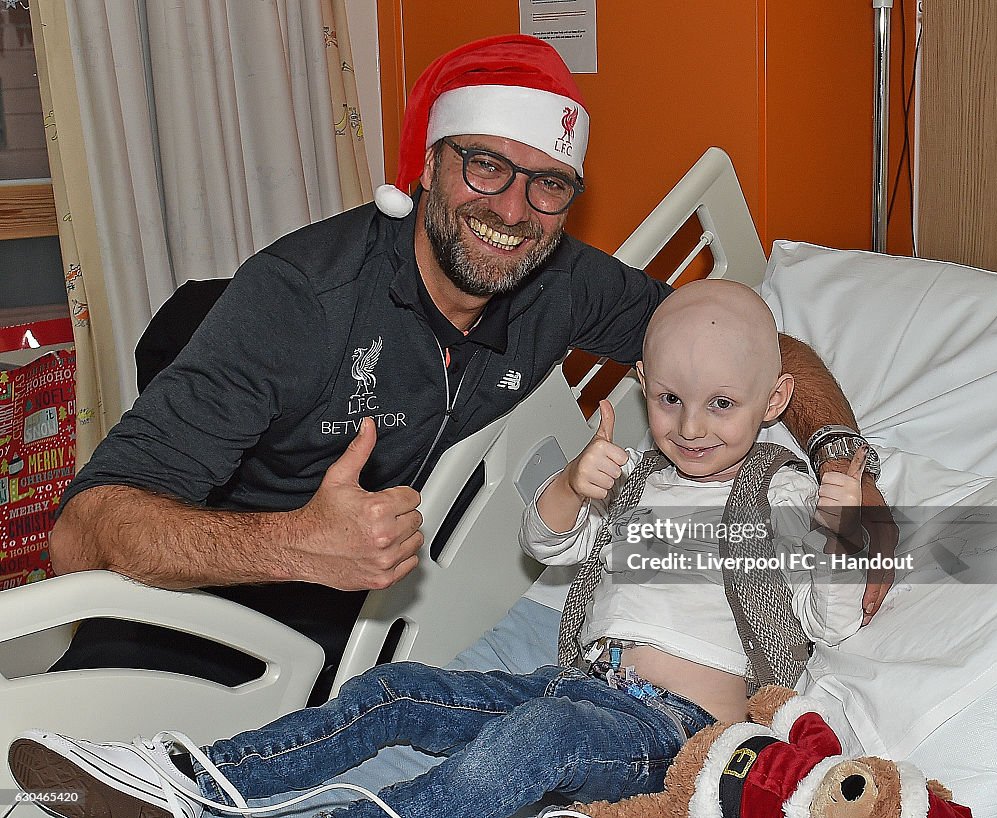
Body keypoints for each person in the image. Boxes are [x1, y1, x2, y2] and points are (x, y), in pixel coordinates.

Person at [47, 34, 893, 693]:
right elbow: (81, 533)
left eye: (549, 183)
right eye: (484, 165)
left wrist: (841, 460)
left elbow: (758, 351)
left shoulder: (558, 280)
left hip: (378, 638)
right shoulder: (300, 300)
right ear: (428, 163)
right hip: (197, 615)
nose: (513, 210)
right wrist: (295, 545)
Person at [10, 281, 873, 818]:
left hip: (671, 728)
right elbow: (548, 545)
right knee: (389, 691)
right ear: (645, 388)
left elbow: (832, 622)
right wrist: (575, 484)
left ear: (774, 400)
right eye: (673, 399)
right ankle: (194, 781)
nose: (691, 426)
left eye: (722, 404)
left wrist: (845, 529)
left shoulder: (785, 492)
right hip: (576, 681)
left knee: (529, 745)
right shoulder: (642, 473)